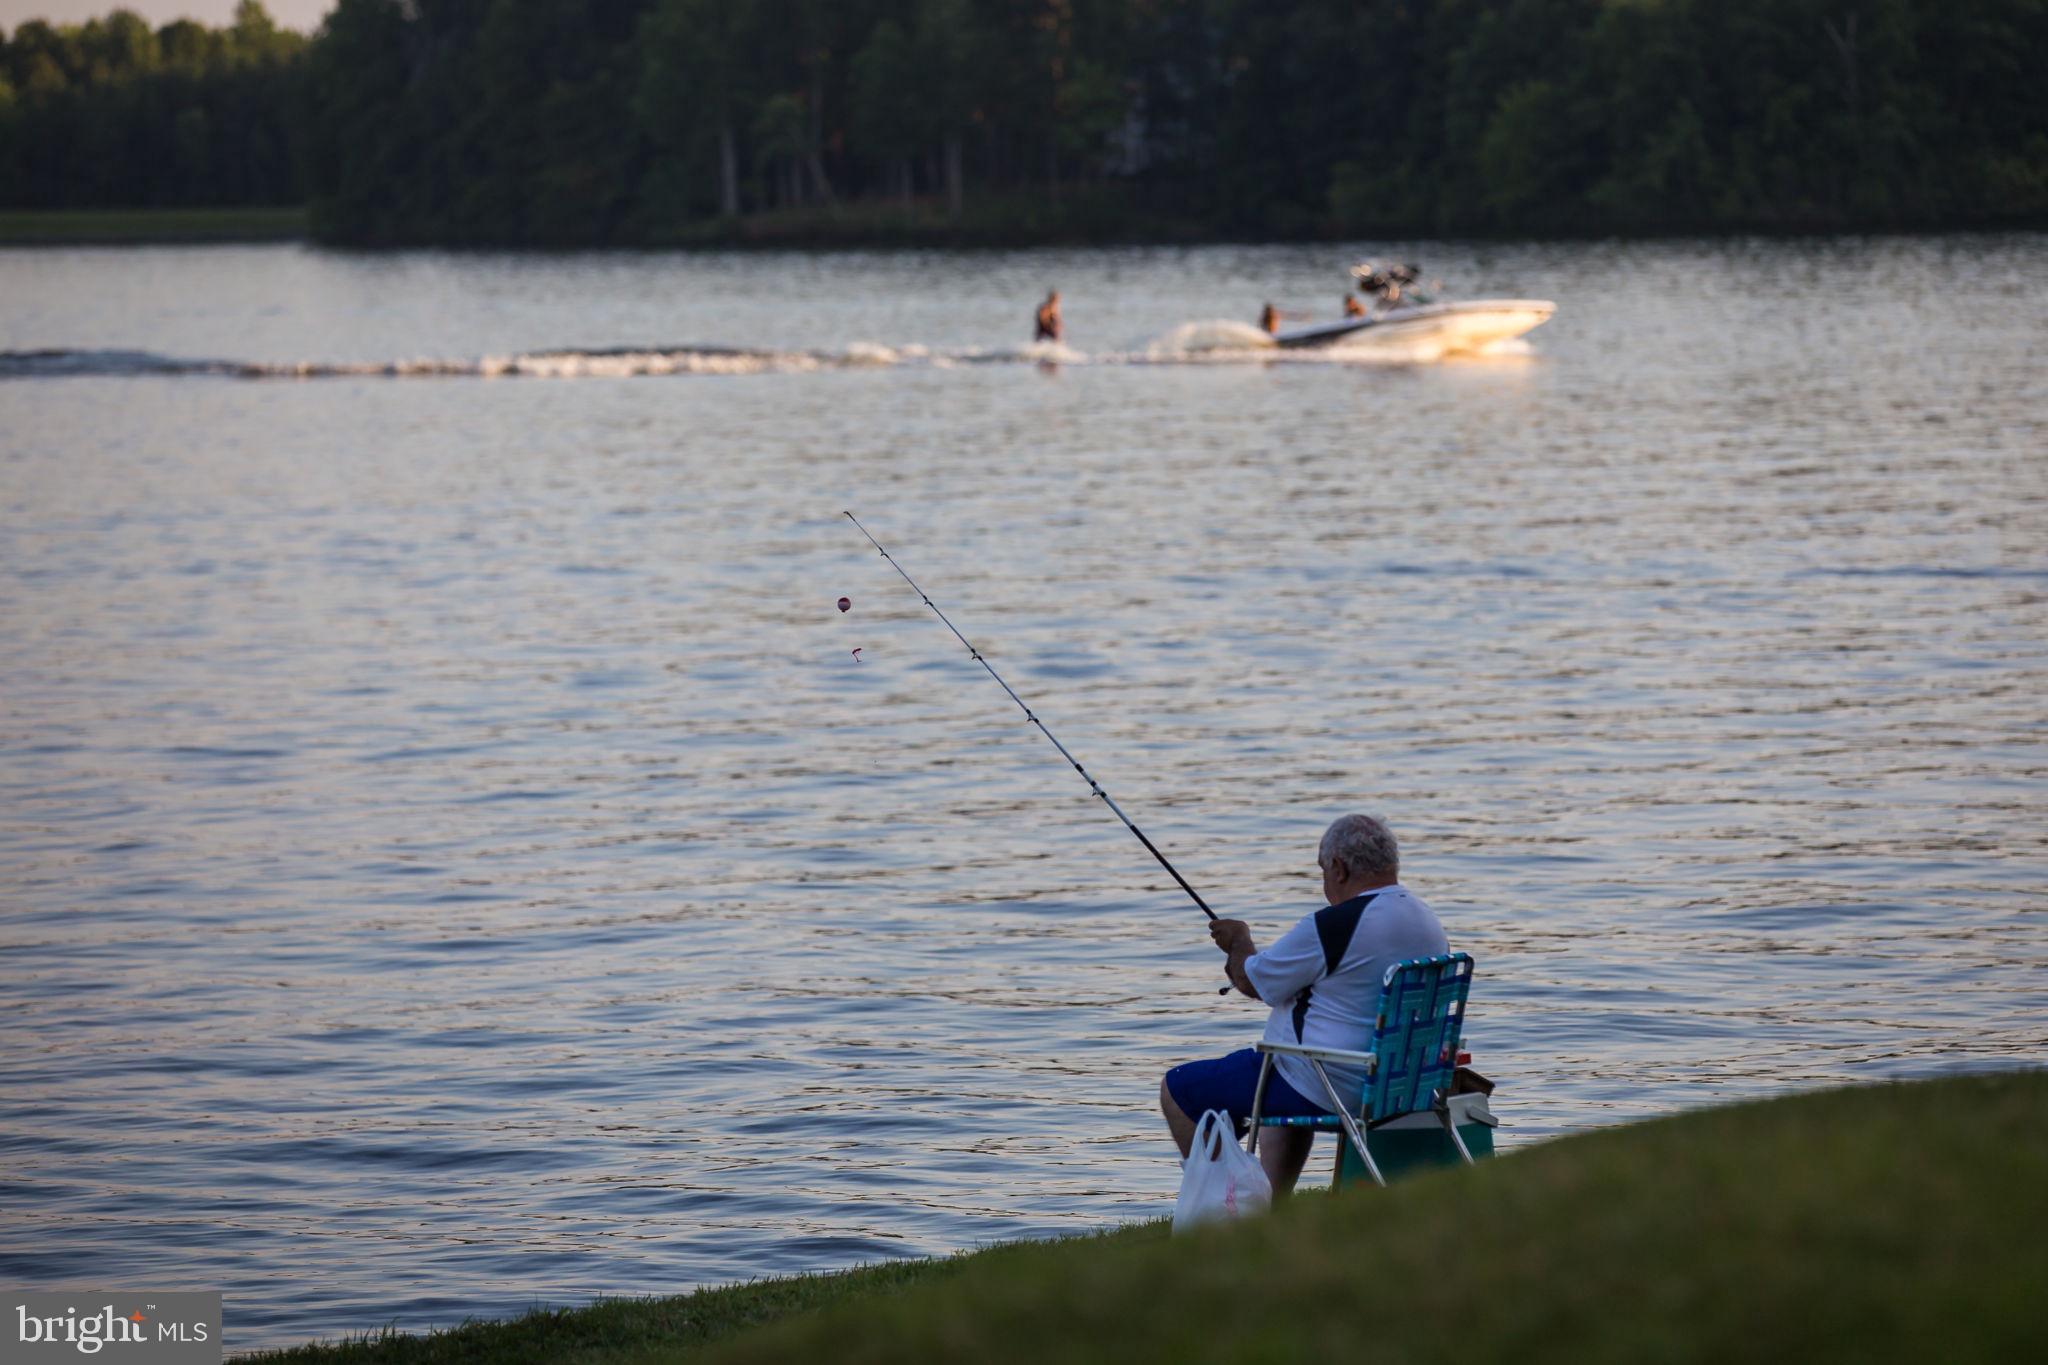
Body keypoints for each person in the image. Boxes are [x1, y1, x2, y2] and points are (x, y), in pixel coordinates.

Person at [1160, 813, 1448, 1197]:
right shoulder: (1424, 918)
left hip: (1334, 1083)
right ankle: (1266, 1209)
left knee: (1180, 1090)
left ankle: (1215, 1210)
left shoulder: (1337, 925)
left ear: (1338, 868)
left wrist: (1238, 939)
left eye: (1323, 871)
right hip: (1405, 1082)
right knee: (1275, 1084)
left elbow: (1251, 980)